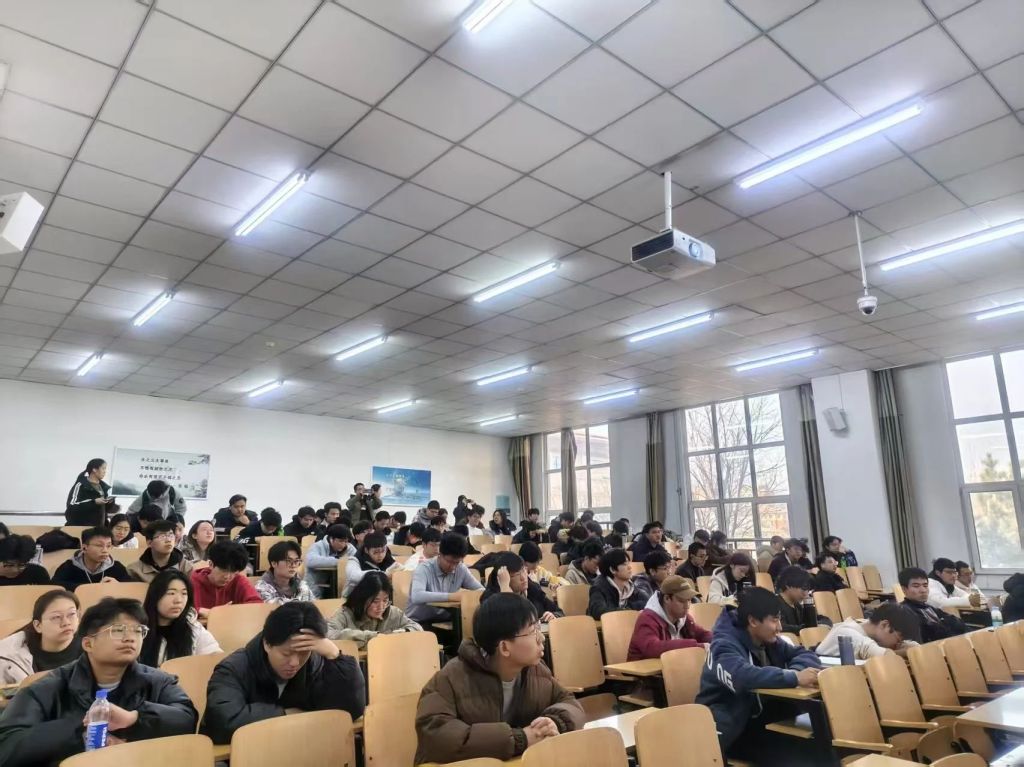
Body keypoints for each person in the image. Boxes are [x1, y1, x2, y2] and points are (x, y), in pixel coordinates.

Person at [0, 597, 197, 766]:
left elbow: (187, 719)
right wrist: (82, 730)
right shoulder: (49, 687)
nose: (130, 638)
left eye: (138, 631)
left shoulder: (158, 681)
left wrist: (135, 718)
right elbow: (7, 746)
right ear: (88, 643)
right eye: (118, 630)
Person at [414, 593, 585, 764]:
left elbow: (569, 702)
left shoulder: (536, 670)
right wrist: (520, 739)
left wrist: (556, 722)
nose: (541, 638)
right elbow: (436, 735)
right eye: (533, 631)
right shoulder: (450, 678)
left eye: (539, 627)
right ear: (504, 647)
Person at [202, 601, 365, 744]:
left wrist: (335, 655)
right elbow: (221, 722)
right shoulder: (233, 669)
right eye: (286, 654)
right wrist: (285, 713)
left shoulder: (316, 662)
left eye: (303, 653)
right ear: (267, 644)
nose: (295, 663)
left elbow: (351, 709)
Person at [696, 587, 822, 763]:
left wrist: (795, 671)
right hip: (732, 727)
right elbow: (743, 676)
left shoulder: (767, 638)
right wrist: (793, 677)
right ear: (753, 621)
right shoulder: (724, 645)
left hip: (763, 717)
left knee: (821, 746)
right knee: (801, 760)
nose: (780, 627)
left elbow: (804, 654)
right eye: (774, 620)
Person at [139, 570, 221, 666]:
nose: (178, 600)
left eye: (184, 593)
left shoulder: (194, 628)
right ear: (155, 596)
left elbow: (216, 659)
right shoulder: (138, 629)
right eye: (171, 593)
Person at [0, 590, 81, 685]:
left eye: (71, 614)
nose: (66, 622)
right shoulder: (12, 656)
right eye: (56, 617)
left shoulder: (90, 646)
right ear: (38, 625)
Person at [327, 571, 421, 648]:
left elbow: (417, 628)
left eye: (385, 600)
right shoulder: (345, 613)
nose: (381, 607)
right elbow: (327, 633)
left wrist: (402, 632)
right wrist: (370, 636)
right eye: (375, 601)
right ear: (362, 599)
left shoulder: (394, 612)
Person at [406, 533, 483, 625]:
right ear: (440, 554)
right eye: (449, 561)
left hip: (446, 621)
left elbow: (481, 590)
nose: (453, 567)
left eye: (457, 562)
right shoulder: (424, 568)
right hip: (418, 622)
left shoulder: (461, 568)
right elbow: (417, 596)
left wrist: (470, 596)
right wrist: (452, 596)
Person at [627, 575, 711, 660]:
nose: (687, 606)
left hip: (670, 666)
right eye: (681, 601)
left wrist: (717, 642)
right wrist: (696, 646)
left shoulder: (682, 617)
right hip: (643, 668)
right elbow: (652, 648)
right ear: (667, 598)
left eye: (689, 600)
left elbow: (702, 634)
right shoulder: (647, 619)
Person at [817, 602, 919, 660]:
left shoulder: (867, 625)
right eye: (898, 640)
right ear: (885, 625)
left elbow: (914, 646)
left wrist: (910, 648)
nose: (898, 644)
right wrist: (905, 651)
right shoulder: (848, 634)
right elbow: (887, 657)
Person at [190, 541, 262, 619]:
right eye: (223, 570)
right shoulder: (192, 582)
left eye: (233, 572)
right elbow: (182, 609)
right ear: (211, 564)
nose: (227, 576)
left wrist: (230, 611)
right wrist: (199, 610)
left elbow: (257, 604)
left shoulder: (239, 581)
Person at [483, 553, 561, 622]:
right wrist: (505, 592)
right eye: (517, 574)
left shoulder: (533, 590)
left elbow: (559, 612)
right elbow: (509, 624)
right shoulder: (490, 601)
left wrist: (554, 616)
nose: (523, 578)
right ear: (504, 578)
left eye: (524, 571)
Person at [899, 567, 967, 642]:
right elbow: (932, 634)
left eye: (925, 585)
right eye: (916, 586)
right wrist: (944, 623)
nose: (923, 590)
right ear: (904, 589)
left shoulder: (928, 607)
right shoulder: (903, 612)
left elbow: (959, 624)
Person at [53, 527, 131, 590]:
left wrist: (119, 586)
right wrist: (93, 588)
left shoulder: (116, 567)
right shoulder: (69, 567)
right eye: (99, 545)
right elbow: (54, 586)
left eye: (108, 546)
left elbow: (131, 587)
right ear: (84, 548)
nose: (105, 550)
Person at [127, 520, 194, 583]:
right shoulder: (134, 570)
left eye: (171, 535)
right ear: (149, 543)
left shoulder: (186, 568)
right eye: (162, 536)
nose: (168, 540)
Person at [588, 549, 647, 619]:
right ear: (612, 570)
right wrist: (627, 610)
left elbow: (647, 602)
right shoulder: (599, 587)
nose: (629, 567)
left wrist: (628, 608)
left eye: (628, 563)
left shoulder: (630, 586)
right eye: (624, 564)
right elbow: (598, 611)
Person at [256, 540, 314, 605]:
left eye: (296, 561)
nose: (293, 565)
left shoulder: (301, 586)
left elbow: (314, 605)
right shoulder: (262, 588)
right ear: (274, 563)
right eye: (288, 561)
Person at [304, 523, 357, 595]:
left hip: (341, 586)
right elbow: (310, 561)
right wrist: (339, 562)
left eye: (346, 541)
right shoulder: (318, 546)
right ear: (331, 539)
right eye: (341, 541)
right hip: (317, 586)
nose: (344, 544)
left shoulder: (349, 548)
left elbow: (357, 561)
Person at [776, 566, 829, 635]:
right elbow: (782, 627)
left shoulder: (798, 606)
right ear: (788, 585)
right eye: (803, 589)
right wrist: (808, 627)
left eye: (808, 590)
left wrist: (819, 624)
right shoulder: (775, 605)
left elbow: (823, 619)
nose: (806, 594)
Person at [343, 532, 398, 597]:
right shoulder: (355, 560)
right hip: (356, 597)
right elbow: (354, 576)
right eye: (376, 552)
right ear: (366, 550)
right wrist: (383, 574)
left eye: (383, 551)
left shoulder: (388, 558)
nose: (380, 555)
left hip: (380, 598)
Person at [65, 458, 114, 526]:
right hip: (81, 527)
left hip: (99, 528)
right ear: (94, 469)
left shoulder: (105, 487)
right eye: (103, 468)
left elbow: (106, 509)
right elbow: (72, 506)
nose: (105, 471)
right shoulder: (80, 485)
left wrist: (110, 502)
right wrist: (94, 502)